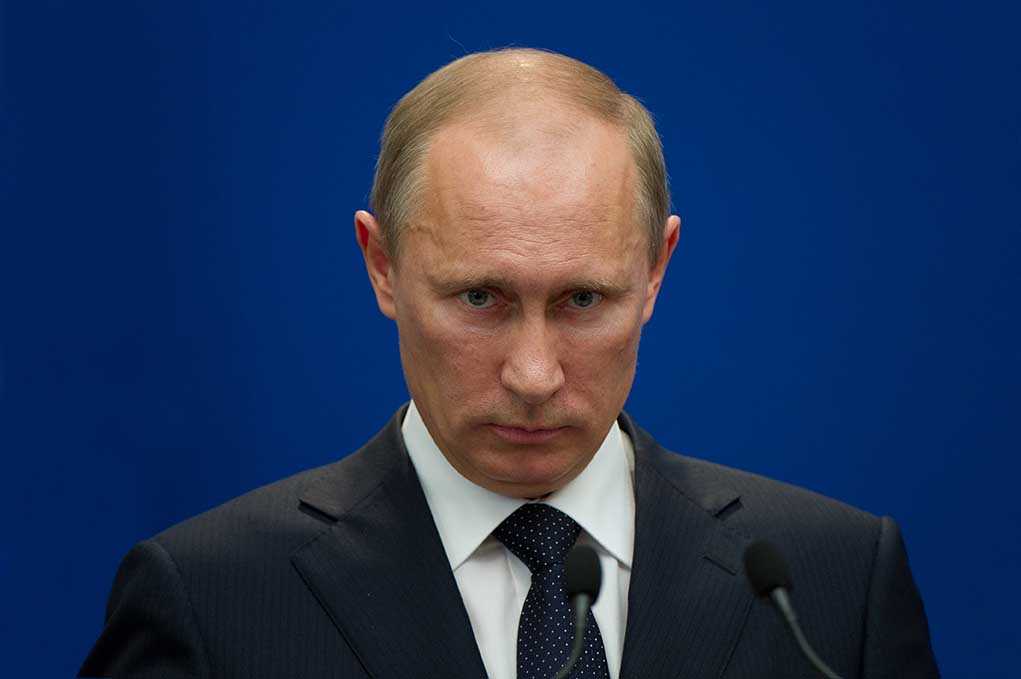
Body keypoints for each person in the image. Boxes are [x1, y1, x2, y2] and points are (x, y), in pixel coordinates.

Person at [79, 48, 939, 679]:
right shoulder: (210, 598)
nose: (533, 375)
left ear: (655, 272)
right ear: (381, 266)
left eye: (582, 301)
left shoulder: (829, 586)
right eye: (480, 299)